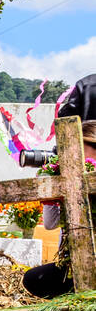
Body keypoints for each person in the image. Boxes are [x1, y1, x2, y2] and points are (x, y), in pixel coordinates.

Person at [22, 120, 96, 299]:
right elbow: (50, 224)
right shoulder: (68, 179)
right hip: (73, 262)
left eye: (81, 152)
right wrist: (51, 190)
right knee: (32, 279)